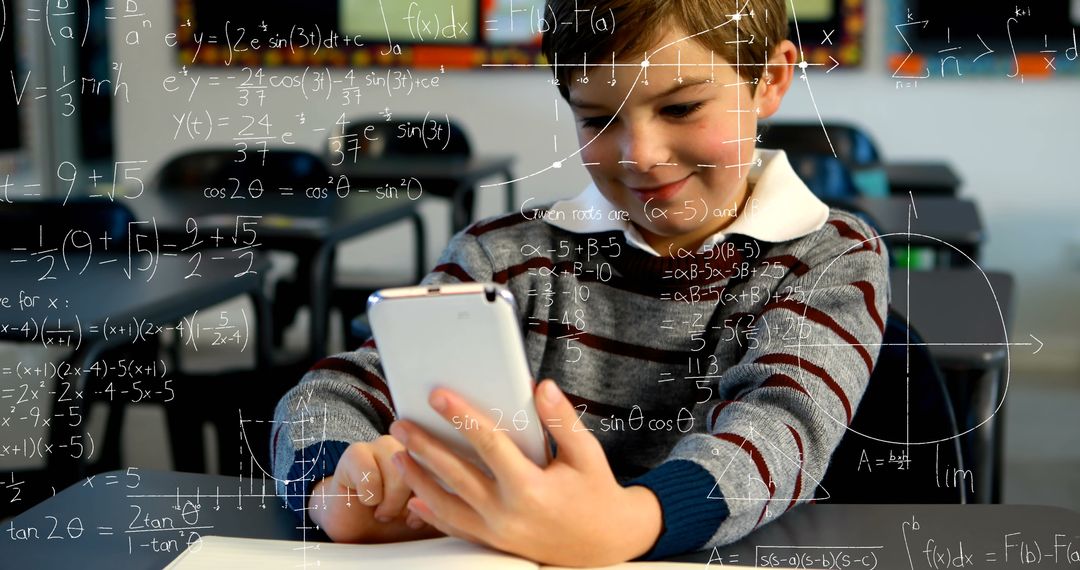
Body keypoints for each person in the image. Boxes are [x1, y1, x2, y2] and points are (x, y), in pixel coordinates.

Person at [272, 0, 889, 565]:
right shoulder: (503, 256)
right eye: (598, 118)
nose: (639, 153)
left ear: (772, 80)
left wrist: (627, 521)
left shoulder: (832, 258)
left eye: (680, 108)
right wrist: (338, 485)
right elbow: (336, 391)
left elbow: (780, 429)